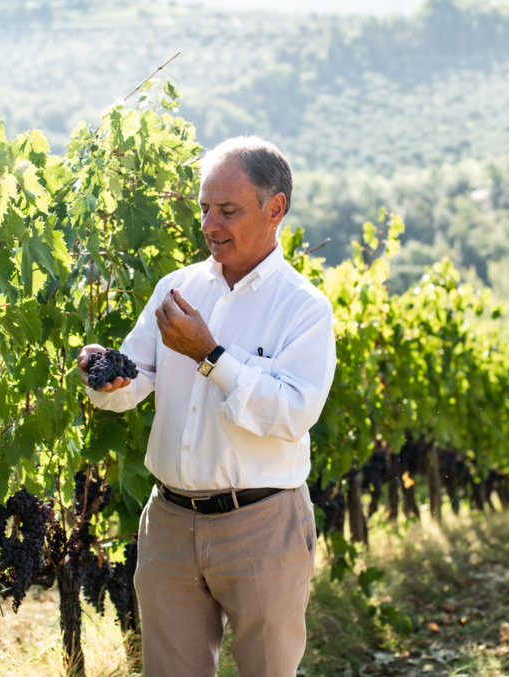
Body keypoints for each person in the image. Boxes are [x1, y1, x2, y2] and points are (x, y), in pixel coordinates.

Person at [78, 136, 336, 676]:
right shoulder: (177, 289)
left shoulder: (304, 309)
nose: (209, 224)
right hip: (170, 523)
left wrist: (211, 355)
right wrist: (104, 378)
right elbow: (135, 381)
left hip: (262, 526)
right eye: (204, 208)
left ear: (275, 209)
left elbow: (291, 413)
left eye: (227, 210)